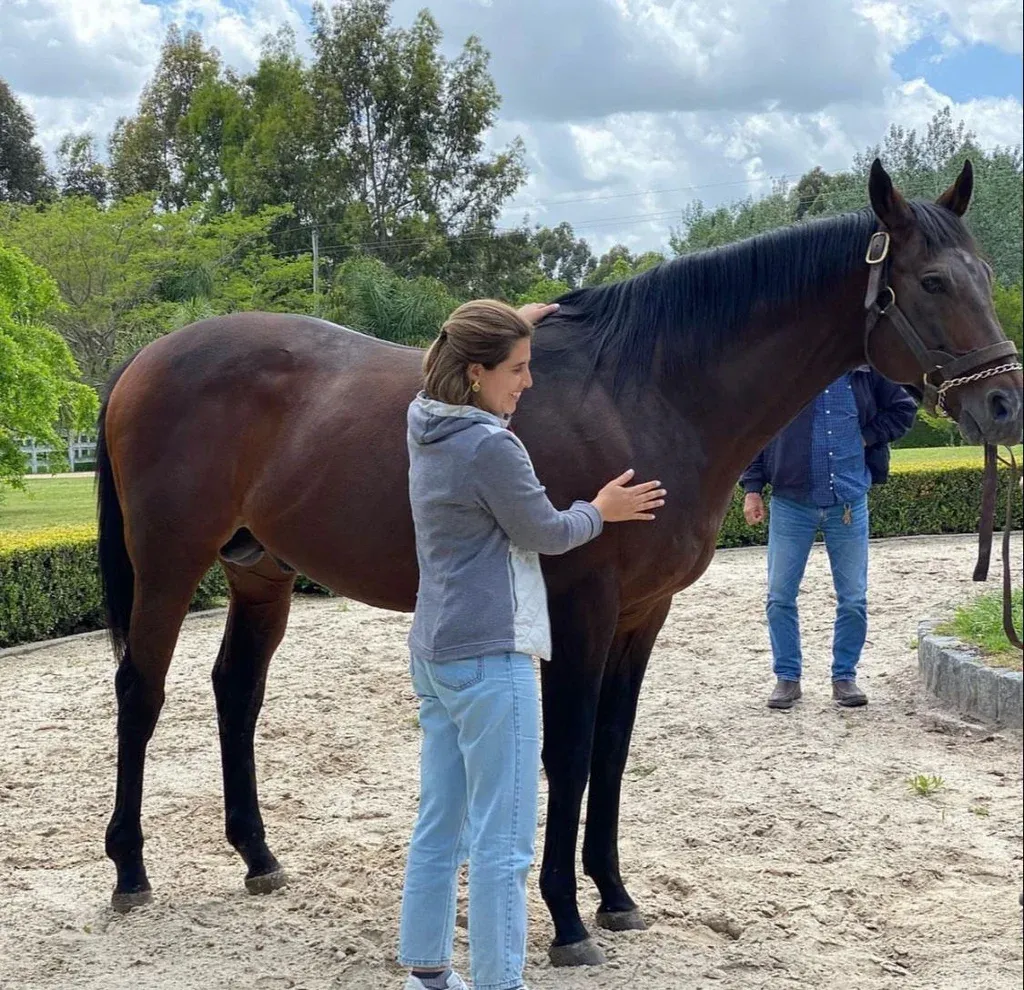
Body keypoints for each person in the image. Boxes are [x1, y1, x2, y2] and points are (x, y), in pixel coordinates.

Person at [398, 299, 666, 990]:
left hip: (434, 649)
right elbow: (545, 532)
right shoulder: (492, 447)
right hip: (491, 655)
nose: (528, 382)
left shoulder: (423, 420)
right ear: (477, 371)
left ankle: (426, 972)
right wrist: (600, 512)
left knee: (439, 825)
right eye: (517, 369)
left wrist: (503, 325)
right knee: (504, 842)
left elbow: (438, 374)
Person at [740, 366, 917, 710]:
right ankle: (787, 677)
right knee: (780, 596)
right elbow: (756, 431)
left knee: (853, 598)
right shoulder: (784, 371)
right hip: (791, 503)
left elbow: (904, 409)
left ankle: (844, 677)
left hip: (848, 502)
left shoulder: (864, 372)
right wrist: (752, 488)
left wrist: (867, 436)